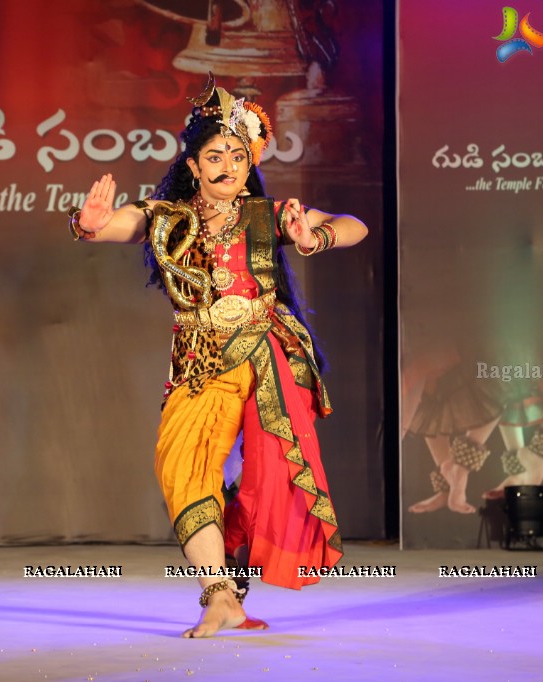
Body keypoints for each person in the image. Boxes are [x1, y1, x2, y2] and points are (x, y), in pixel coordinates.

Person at [68, 74, 367, 638]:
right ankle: (220, 594)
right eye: (214, 155)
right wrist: (94, 226)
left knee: (256, 479)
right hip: (199, 363)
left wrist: (314, 238)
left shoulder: (267, 214)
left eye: (236, 154)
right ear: (195, 166)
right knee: (182, 469)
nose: (227, 165)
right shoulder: (169, 217)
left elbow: (353, 225)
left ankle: (234, 587)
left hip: (262, 361)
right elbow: (124, 222)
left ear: (249, 160)